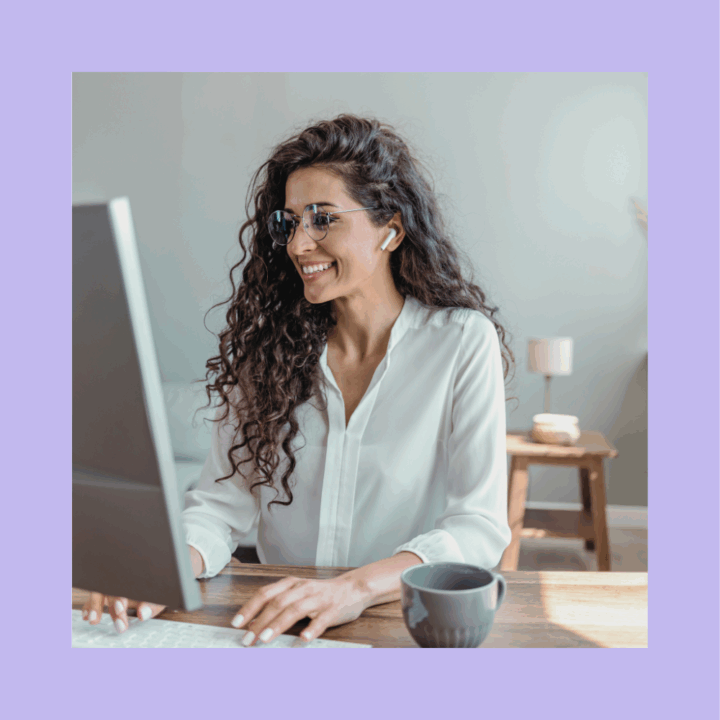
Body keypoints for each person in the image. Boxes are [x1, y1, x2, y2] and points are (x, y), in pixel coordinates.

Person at [82, 114, 515, 645]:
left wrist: (352, 589)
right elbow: (219, 507)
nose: (299, 245)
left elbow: (478, 525)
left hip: (400, 622)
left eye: (323, 219)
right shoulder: (270, 352)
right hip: (277, 625)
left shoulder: (461, 342)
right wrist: (161, 570)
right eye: (290, 223)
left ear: (392, 229)